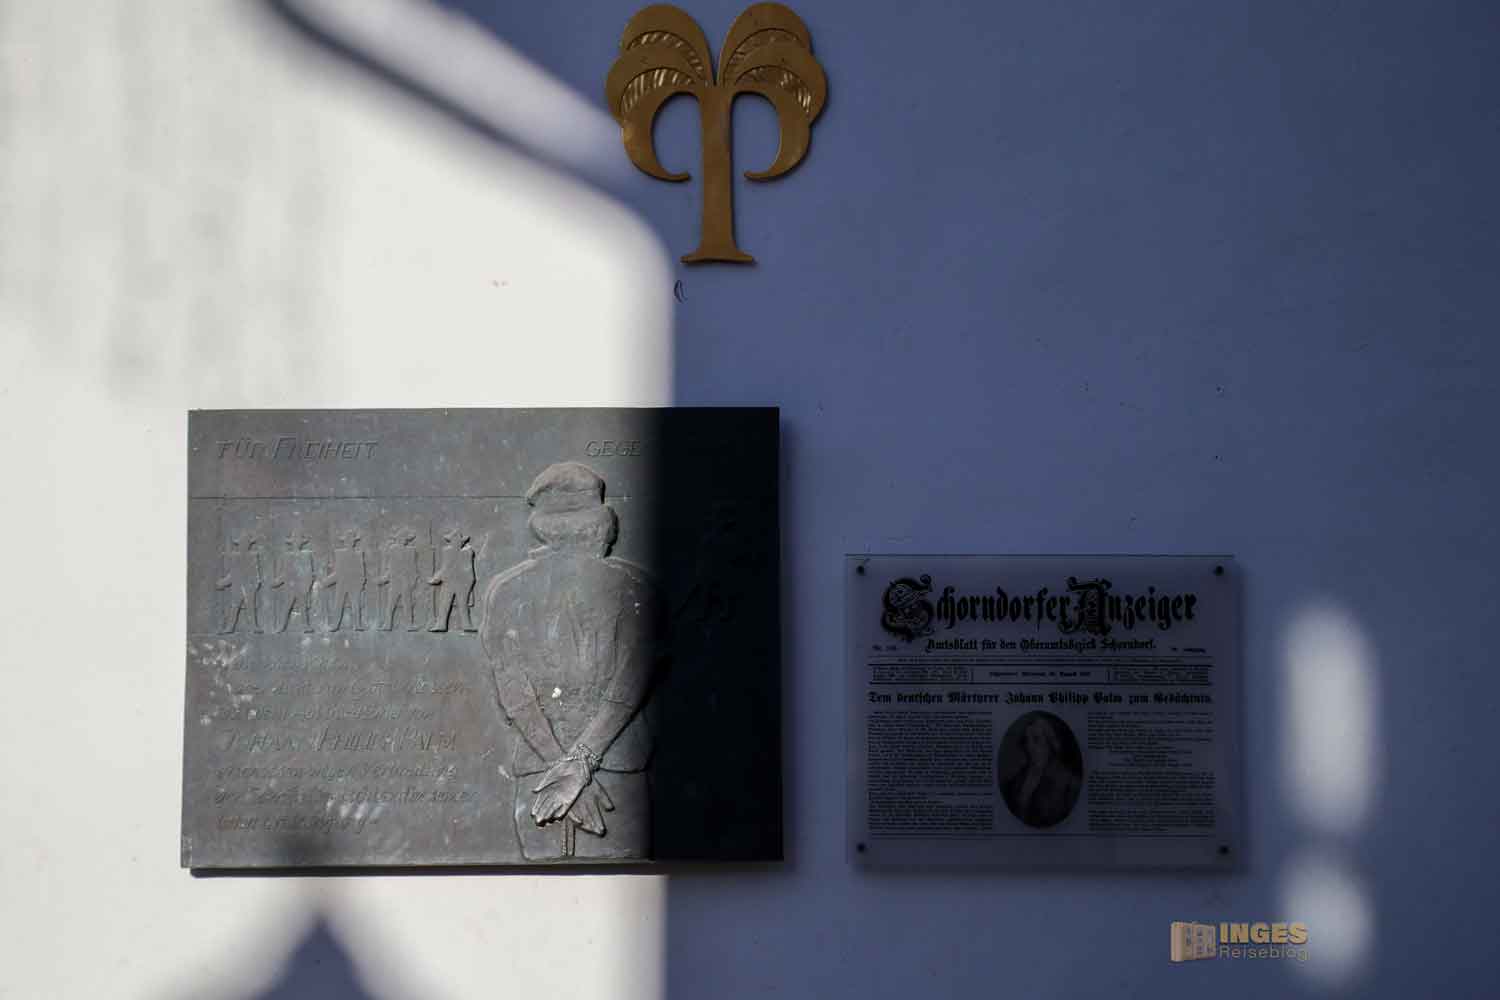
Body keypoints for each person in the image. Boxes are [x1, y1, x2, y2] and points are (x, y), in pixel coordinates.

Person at [480, 462, 663, 860]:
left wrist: (561, 768)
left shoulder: (506, 591)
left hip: (540, 773)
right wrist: (577, 767)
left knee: (541, 873)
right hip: (612, 768)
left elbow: (514, 695)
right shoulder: (635, 587)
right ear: (602, 524)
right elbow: (630, 686)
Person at [1001, 713, 1082, 828]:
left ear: (1051, 745)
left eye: (1036, 739)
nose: (1029, 746)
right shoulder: (1014, 783)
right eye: (1027, 740)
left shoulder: (1070, 785)